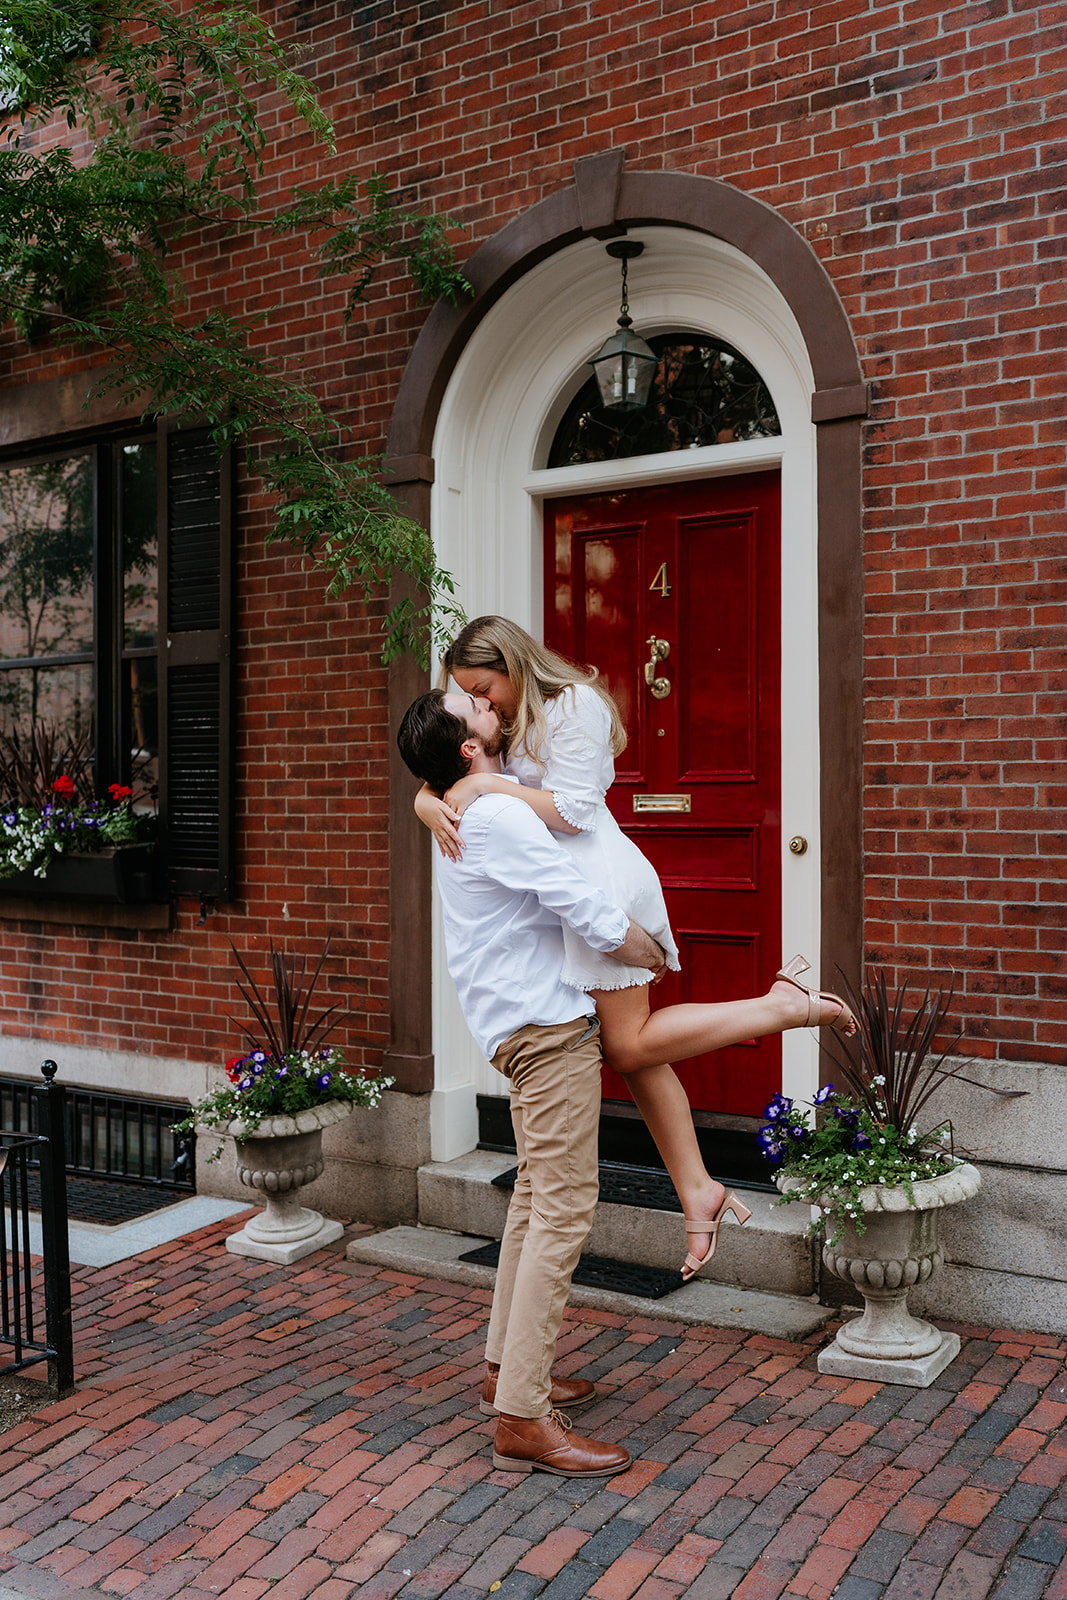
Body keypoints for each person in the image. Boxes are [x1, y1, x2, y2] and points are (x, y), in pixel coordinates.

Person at [416, 615, 856, 1280]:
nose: (485, 703)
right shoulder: (502, 723)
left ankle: (782, 1006)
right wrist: (427, 800)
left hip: (597, 886)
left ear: (513, 667)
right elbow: (447, 760)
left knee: (629, 1044)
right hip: (564, 898)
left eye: (485, 688)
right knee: (634, 1051)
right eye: (472, 695)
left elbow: (574, 812)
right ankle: (696, 1188)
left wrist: (482, 786)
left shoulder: (574, 707)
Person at [397, 686, 668, 1477]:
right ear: (467, 750)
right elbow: (572, 897)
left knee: (529, 1203)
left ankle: (505, 1374)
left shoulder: (463, 804)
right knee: (562, 1208)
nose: (486, 704)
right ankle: (522, 1417)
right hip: (545, 1031)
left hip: (513, 1024)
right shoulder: (496, 814)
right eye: (473, 707)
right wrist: (641, 946)